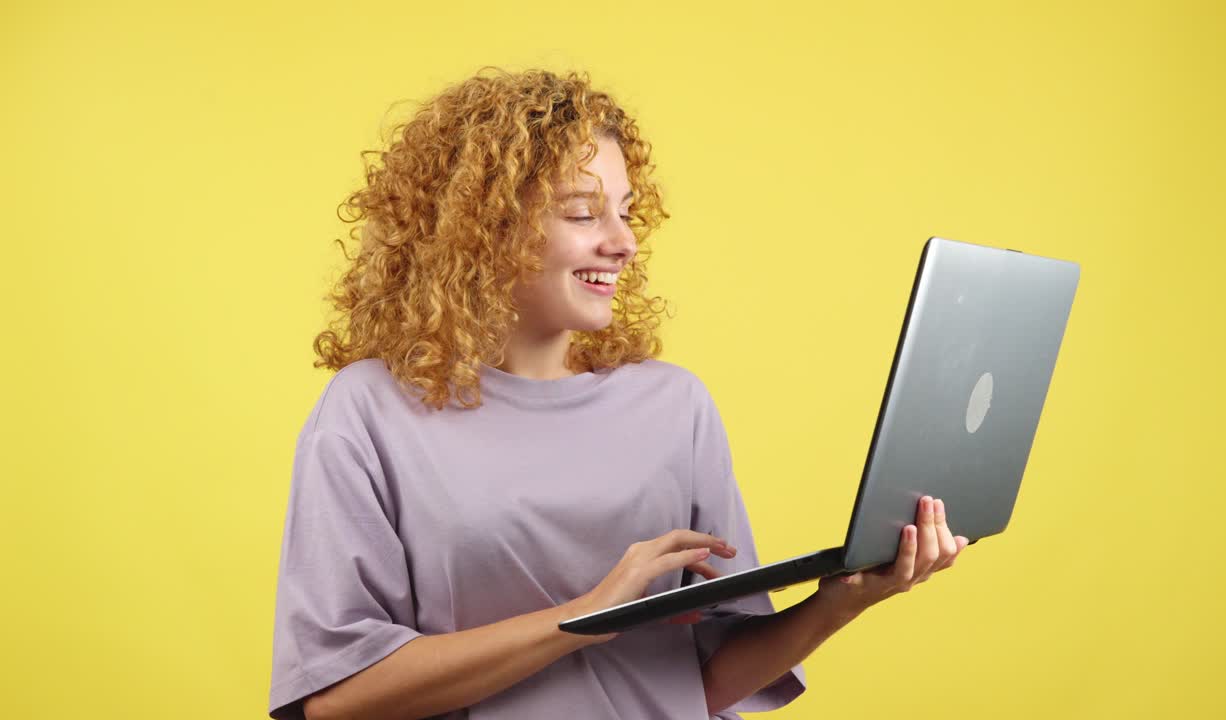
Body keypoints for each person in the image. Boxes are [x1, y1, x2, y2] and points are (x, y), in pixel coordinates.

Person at [267, 66, 969, 720]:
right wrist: (593, 613)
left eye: (627, 211)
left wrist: (842, 602)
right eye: (583, 213)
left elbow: (711, 676)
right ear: (484, 229)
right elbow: (332, 696)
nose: (624, 242)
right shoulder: (369, 411)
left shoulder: (675, 408)